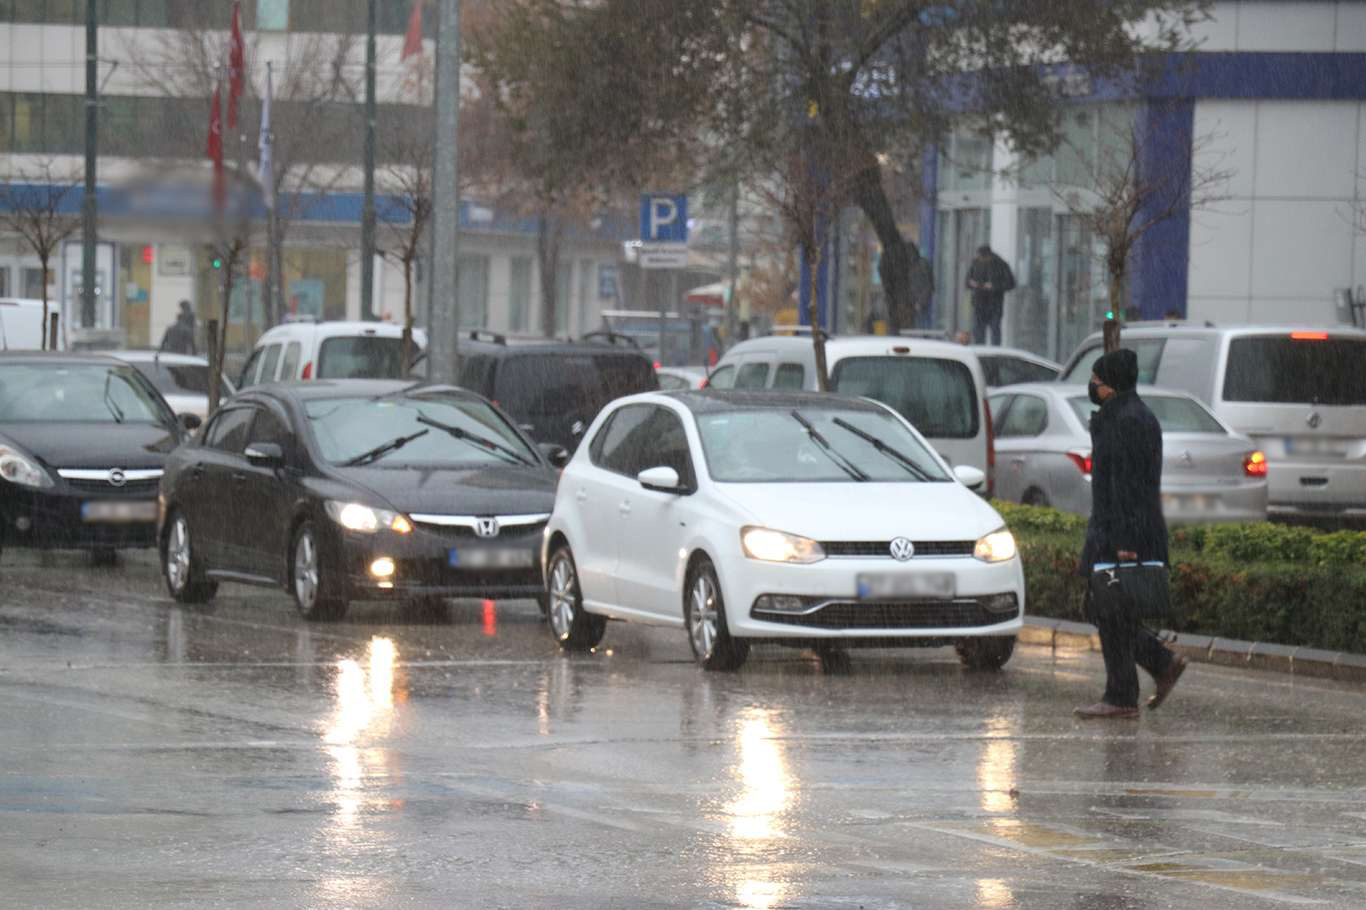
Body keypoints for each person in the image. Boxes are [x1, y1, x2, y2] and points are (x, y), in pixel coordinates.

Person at [1075, 349, 1186, 719]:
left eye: (1096, 379)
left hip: (1122, 534)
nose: (1092, 386)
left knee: (1108, 608)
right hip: (1115, 530)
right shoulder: (1126, 416)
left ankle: (1126, 691)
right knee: (1104, 608)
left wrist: (1125, 543)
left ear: (1110, 385)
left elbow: (1127, 487)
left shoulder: (1127, 422)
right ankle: (1153, 668)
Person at [964, 245, 1015, 346]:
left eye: (982, 257)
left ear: (988, 256)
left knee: (995, 329)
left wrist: (994, 286)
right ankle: (979, 349)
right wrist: (972, 283)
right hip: (979, 302)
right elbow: (967, 281)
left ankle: (995, 352)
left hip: (994, 303)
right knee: (979, 330)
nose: (980, 259)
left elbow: (1010, 283)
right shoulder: (976, 263)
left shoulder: (1001, 264)